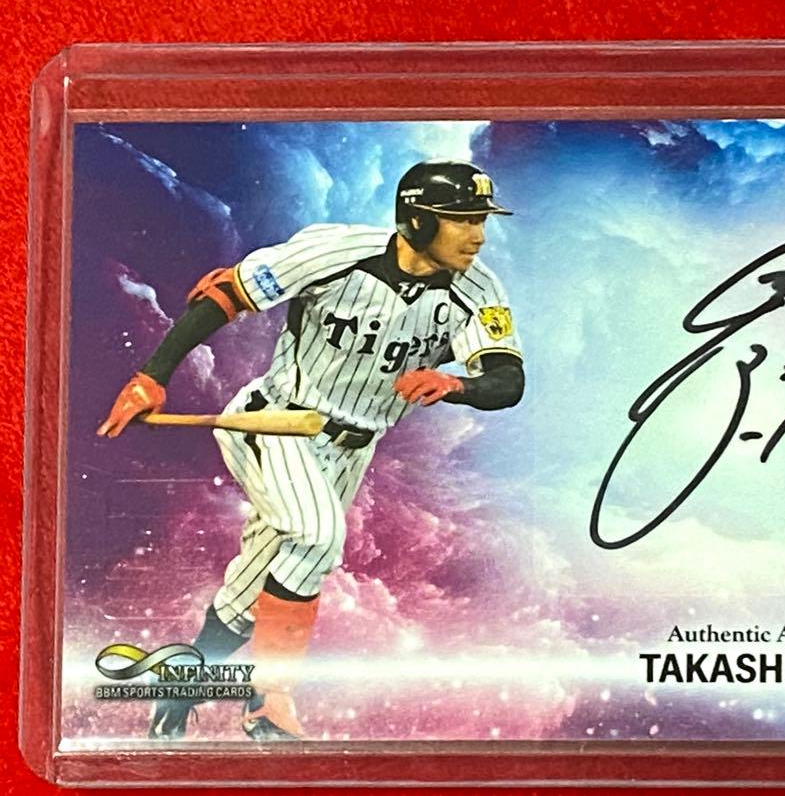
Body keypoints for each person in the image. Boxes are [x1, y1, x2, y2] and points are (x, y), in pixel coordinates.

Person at [98, 160, 524, 740]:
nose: (478, 234)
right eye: (464, 220)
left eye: (481, 220)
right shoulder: (337, 252)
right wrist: (153, 376)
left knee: (254, 587)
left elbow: (507, 379)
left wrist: (458, 384)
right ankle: (269, 700)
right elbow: (227, 295)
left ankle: (182, 687)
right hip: (276, 423)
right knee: (317, 536)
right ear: (419, 220)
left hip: (353, 450)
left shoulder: (478, 289)